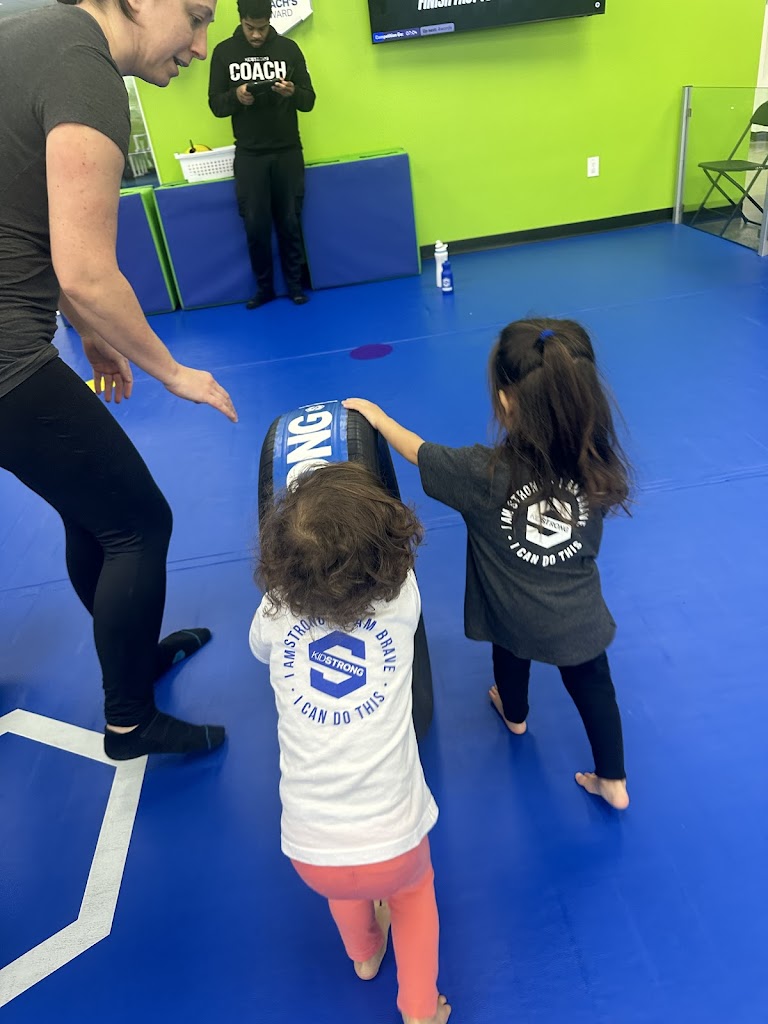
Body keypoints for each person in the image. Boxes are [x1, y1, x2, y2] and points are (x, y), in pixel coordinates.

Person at [0, 0, 238, 761]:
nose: (200, 45)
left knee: (91, 513)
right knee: (140, 523)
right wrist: (174, 371)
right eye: (196, 17)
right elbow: (86, 270)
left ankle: (136, 657)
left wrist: (96, 337)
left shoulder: (27, 34)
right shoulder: (85, 68)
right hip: (5, 359)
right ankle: (131, 721)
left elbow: (38, 231)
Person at [344, 317, 633, 810]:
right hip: (577, 619)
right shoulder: (597, 462)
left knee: (510, 654)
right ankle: (613, 782)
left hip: (510, 612)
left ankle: (515, 715)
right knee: (593, 686)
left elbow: (419, 453)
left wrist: (379, 417)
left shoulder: (481, 472)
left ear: (505, 401)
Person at [250, 462, 451, 1024]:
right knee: (414, 899)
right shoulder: (401, 600)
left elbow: (260, 647)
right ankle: (419, 1010)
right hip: (396, 840)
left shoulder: (276, 611)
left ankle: (363, 954)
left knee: (346, 887)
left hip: (311, 849)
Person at [208, 0, 316, 309]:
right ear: (241, 20)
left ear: (270, 21)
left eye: (262, 28)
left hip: (287, 150)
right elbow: (216, 104)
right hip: (249, 154)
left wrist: (292, 92)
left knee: (290, 221)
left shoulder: (288, 49)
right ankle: (264, 288)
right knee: (255, 225)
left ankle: (295, 286)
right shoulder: (224, 52)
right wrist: (236, 96)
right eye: (250, 28)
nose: (256, 35)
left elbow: (309, 100)